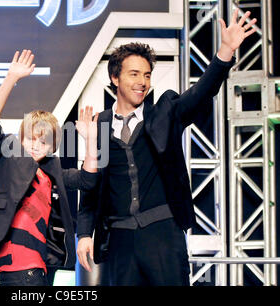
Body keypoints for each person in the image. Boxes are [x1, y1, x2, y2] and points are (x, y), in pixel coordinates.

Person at [76, 9, 257, 285]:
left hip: (163, 234)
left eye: (147, 75)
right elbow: (91, 186)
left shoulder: (164, 111)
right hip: (119, 239)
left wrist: (224, 52)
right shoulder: (97, 124)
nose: (142, 82)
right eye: (134, 74)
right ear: (115, 78)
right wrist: (84, 233)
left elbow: (200, 93)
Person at [0, 49, 99, 286]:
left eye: (44, 141)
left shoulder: (52, 173)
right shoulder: (10, 161)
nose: (36, 145)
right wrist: (10, 79)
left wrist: (91, 141)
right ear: (21, 139)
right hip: (19, 265)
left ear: (52, 147)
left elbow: (87, 180)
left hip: (43, 264)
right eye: (31, 138)